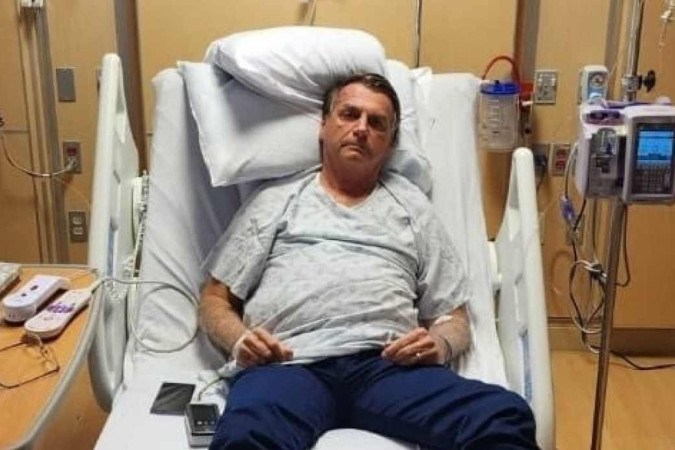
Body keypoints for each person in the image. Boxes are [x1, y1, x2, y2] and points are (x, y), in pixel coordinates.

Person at [199, 73, 539, 450]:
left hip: (387, 368)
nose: (361, 128)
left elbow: (454, 317)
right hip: (290, 364)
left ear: (390, 143)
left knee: (503, 415)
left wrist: (440, 344)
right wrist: (240, 339)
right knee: (246, 435)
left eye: (377, 123)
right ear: (323, 126)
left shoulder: (412, 207)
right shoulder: (276, 200)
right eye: (349, 114)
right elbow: (214, 300)